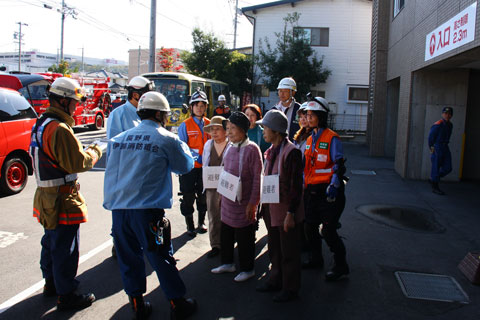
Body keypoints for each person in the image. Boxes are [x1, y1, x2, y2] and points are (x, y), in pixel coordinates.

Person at [103, 91, 197, 320]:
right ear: (159, 114)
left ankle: (137, 305)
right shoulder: (166, 138)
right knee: (160, 256)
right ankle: (177, 304)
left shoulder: (119, 140)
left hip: (119, 212)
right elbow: (185, 166)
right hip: (147, 213)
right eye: (165, 115)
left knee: (128, 259)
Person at [30, 77, 102, 310]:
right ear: (62, 101)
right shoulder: (59, 129)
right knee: (66, 248)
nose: (76, 106)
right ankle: (67, 295)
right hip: (62, 198)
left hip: (46, 196)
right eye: (73, 102)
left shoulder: (41, 123)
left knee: (50, 243)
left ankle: (51, 284)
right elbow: (78, 163)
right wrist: (95, 150)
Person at [255, 110, 304, 302]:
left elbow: (296, 186)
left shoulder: (292, 153)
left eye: (265, 127)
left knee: (289, 252)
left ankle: (290, 288)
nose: (263, 131)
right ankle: (276, 279)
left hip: (286, 212)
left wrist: (291, 213)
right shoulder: (272, 150)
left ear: (275, 130)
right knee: (274, 248)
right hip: (272, 210)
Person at [211, 111, 263, 282]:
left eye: (233, 128)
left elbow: (257, 178)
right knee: (226, 233)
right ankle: (227, 263)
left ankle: (248, 269)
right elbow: (224, 171)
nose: (229, 132)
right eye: (228, 128)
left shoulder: (253, 149)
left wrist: (253, 203)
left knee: (244, 237)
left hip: (244, 203)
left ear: (243, 130)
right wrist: (220, 194)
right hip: (227, 200)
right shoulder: (230, 146)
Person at [302, 95, 349, 281]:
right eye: (307, 114)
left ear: (321, 116)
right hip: (311, 191)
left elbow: (339, 163)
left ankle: (341, 265)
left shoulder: (332, 138)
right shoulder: (309, 139)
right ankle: (316, 258)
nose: (308, 117)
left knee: (328, 231)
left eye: (312, 114)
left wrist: (335, 184)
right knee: (309, 227)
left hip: (329, 193)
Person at [178, 90, 211, 236]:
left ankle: (201, 222)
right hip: (189, 168)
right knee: (188, 196)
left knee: (204, 195)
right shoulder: (185, 125)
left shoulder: (210, 124)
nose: (199, 108)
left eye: (202, 105)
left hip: (206, 168)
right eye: (196, 105)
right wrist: (195, 156)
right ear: (191, 107)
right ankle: (190, 224)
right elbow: (182, 147)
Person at [202, 116, 230, 258]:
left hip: (228, 185)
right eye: (212, 129)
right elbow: (204, 164)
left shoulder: (231, 145)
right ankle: (215, 244)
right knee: (213, 214)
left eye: (217, 129)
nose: (214, 132)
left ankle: (228, 242)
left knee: (228, 214)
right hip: (212, 185)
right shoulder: (208, 145)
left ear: (225, 130)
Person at [428, 107, 453, 195]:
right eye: (445, 113)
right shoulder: (438, 124)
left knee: (448, 168)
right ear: (442, 114)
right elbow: (431, 138)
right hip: (437, 147)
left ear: (451, 115)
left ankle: (434, 178)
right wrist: (432, 148)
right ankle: (435, 187)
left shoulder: (450, 125)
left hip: (445, 147)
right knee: (436, 167)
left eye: (449, 113)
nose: (447, 115)